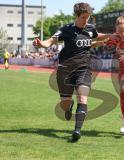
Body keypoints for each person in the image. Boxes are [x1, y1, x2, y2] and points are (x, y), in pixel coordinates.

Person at [33, 2, 108, 142]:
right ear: (77, 16)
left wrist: (113, 35)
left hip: (83, 69)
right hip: (65, 71)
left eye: (88, 17)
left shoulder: (91, 29)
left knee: (83, 97)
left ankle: (77, 131)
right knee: (64, 104)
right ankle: (69, 107)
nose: (86, 20)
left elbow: (97, 35)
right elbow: (50, 41)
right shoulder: (66, 30)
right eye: (84, 17)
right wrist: (40, 44)